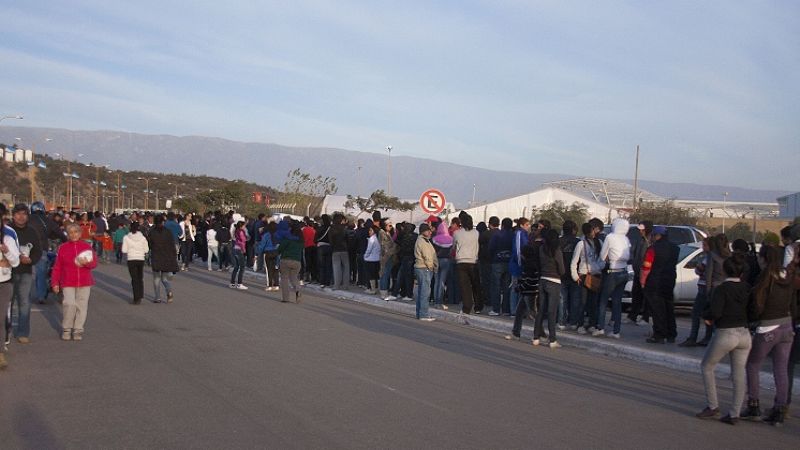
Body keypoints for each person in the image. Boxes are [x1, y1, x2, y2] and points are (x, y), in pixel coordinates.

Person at [740, 245, 797, 426]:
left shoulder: (765, 276)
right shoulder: (787, 275)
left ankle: (753, 404)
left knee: (752, 364)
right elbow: (793, 303)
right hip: (786, 325)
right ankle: (780, 409)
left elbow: (756, 303)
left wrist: (752, 320)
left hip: (768, 326)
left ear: (763, 258)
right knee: (781, 369)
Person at [696, 255, 751, 425]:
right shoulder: (747, 288)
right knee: (739, 373)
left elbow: (716, 311)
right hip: (744, 333)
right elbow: (754, 310)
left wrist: (706, 316)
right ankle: (735, 413)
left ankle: (713, 406)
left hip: (726, 332)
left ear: (725, 270)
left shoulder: (722, 289)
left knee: (707, 366)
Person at [51, 223, 98, 341]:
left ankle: (78, 329)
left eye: (76, 232)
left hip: (84, 281)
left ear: (80, 233)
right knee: (69, 304)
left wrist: (86, 263)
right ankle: (67, 328)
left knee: (82, 306)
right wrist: (55, 282)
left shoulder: (86, 246)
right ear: (67, 234)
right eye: (70, 232)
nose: (73, 235)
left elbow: (94, 263)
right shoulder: (63, 247)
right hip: (68, 281)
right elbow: (57, 267)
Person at [9, 203, 43, 345]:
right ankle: (5, 332)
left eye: (24, 214)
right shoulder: (7, 230)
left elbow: (38, 251)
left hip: (25, 272)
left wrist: (31, 260)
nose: (21, 217)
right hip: (8, 273)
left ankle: (23, 332)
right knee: (7, 303)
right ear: (13, 216)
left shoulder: (32, 231)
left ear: (28, 216)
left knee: (24, 303)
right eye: (18, 214)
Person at [641, 226, 679, 343]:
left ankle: (659, 334)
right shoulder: (675, 248)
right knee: (669, 308)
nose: (652, 238)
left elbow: (646, 266)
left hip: (655, 281)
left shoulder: (653, 249)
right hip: (670, 280)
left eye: (653, 235)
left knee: (657, 309)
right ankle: (671, 334)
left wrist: (643, 281)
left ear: (658, 236)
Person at [593, 218, 631, 338]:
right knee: (617, 302)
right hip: (624, 271)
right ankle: (616, 331)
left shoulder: (610, 237)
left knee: (603, 300)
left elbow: (602, 255)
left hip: (613, 271)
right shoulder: (626, 239)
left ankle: (600, 327)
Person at [27, 201, 65, 303]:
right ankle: (41, 296)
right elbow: (59, 233)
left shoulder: (26, 219)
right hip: (41, 249)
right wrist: (66, 240)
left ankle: (22, 295)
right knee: (41, 273)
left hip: (25, 248)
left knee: (24, 273)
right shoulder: (47, 220)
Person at [534, 229, 565, 348]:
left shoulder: (542, 249)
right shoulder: (556, 250)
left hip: (543, 279)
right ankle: (552, 339)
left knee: (541, 310)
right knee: (552, 311)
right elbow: (561, 268)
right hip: (554, 280)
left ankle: (536, 337)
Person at [570, 222, 603, 334]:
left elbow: (603, 258)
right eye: (592, 231)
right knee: (582, 302)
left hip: (596, 274)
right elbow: (574, 261)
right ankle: (580, 324)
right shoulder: (581, 244)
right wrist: (575, 276)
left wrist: (599, 267)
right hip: (584, 274)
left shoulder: (599, 242)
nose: (594, 233)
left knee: (593, 302)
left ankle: (592, 323)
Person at [681, 237, 713, 347]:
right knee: (708, 315)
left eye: (705, 245)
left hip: (704, 289)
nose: (703, 248)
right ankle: (708, 337)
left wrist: (699, 268)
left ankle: (693, 337)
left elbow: (699, 270)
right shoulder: (715, 257)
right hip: (710, 289)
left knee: (696, 313)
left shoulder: (708, 258)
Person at [1, 203, 21, 369]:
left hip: (4, 283)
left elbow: (15, 261)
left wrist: (6, 251)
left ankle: (0, 352)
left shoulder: (8, 236)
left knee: (0, 318)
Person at [453, 212, 482, 314]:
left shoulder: (457, 233)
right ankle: (478, 306)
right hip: (473, 261)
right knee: (476, 284)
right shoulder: (476, 233)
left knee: (465, 287)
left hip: (461, 261)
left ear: (461, 222)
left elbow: (453, 246)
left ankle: (467, 307)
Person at [148, 215, 179, 303]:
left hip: (156, 257)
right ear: (162, 222)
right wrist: (173, 257)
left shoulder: (152, 232)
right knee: (164, 279)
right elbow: (172, 245)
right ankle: (169, 292)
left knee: (156, 278)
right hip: (166, 257)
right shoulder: (168, 232)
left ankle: (157, 297)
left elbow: (150, 245)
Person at [488, 217, 513, 316]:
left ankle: (496, 309)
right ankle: (506, 309)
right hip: (509, 262)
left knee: (496, 286)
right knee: (507, 286)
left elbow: (491, 248)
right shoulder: (513, 235)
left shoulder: (497, 235)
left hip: (497, 261)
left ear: (502, 225)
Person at [558, 220, 580, 328]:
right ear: (574, 230)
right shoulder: (578, 242)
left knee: (562, 299)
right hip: (575, 275)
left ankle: (561, 322)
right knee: (575, 299)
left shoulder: (559, 241)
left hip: (561, 274)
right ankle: (573, 322)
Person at [414, 223, 437, 321]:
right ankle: (423, 314)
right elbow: (427, 256)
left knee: (422, 292)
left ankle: (420, 313)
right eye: (428, 231)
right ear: (423, 231)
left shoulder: (424, 240)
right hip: (424, 268)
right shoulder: (422, 241)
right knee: (425, 292)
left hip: (422, 268)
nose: (430, 232)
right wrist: (431, 267)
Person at [122, 222, 149, 304]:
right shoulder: (143, 238)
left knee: (134, 278)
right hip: (140, 259)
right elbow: (146, 250)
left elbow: (124, 250)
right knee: (140, 277)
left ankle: (136, 297)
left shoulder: (126, 237)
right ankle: (140, 294)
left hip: (131, 259)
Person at [277, 221, 304, 303]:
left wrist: (277, 253)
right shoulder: (301, 241)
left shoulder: (287, 238)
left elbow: (280, 249)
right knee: (294, 278)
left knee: (284, 278)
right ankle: (298, 290)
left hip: (286, 260)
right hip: (297, 261)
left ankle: (285, 298)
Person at [432, 220, 453, 309]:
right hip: (446, 261)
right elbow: (452, 250)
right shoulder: (451, 239)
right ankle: (440, 302)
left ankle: (435, 301)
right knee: (442, 282)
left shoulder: (434, 239)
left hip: (436, 260)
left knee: (436, 281)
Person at [330, 213, 350, 290]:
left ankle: (336, 285)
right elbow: (348, 239)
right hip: (344, 249)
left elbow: (331, 241)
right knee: (346, 267)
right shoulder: (345, 228)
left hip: (335, 250)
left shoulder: (331, 229)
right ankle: (346, 285)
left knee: (336, 268)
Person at [378, 219, 397, 300]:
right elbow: (385, 248)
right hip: (386, 257)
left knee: (386, 274)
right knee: (384, 274)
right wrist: (395, 247)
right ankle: (383, 293)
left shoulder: (387, 233)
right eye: (389, 225)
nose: (391, 226)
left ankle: (384, 291)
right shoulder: (382, 233)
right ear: (384, 225)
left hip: (389, 257)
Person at [258, 221, 279, 291]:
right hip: (276, 252)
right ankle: (276, 285)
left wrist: (258, 253)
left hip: (268, 253)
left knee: (269, 270)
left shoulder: (266, 235)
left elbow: (262, 245)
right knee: (276, 268)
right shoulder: (278, 235)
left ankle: (269, 285)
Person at [363, 225, 381, 294]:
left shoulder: (371, 239)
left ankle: (373, 289)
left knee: (371, 275)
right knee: (376, 275)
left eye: (371, 230)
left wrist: (365, 256)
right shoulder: (378, 238)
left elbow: (369, 249)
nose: (369, 232)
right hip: (377, 259)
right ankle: (377, 288)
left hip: (370, 259)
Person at [230, 221, 248, 290]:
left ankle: (232, 283)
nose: (245, 227)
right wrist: (243, 250)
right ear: (241, 226)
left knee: (236, 267)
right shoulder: (241, 232)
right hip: (239, 250)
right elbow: (242, 241)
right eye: (244, 225)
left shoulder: (236, 231)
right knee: (242, 267)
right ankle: (239, 284)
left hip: (235, 249)